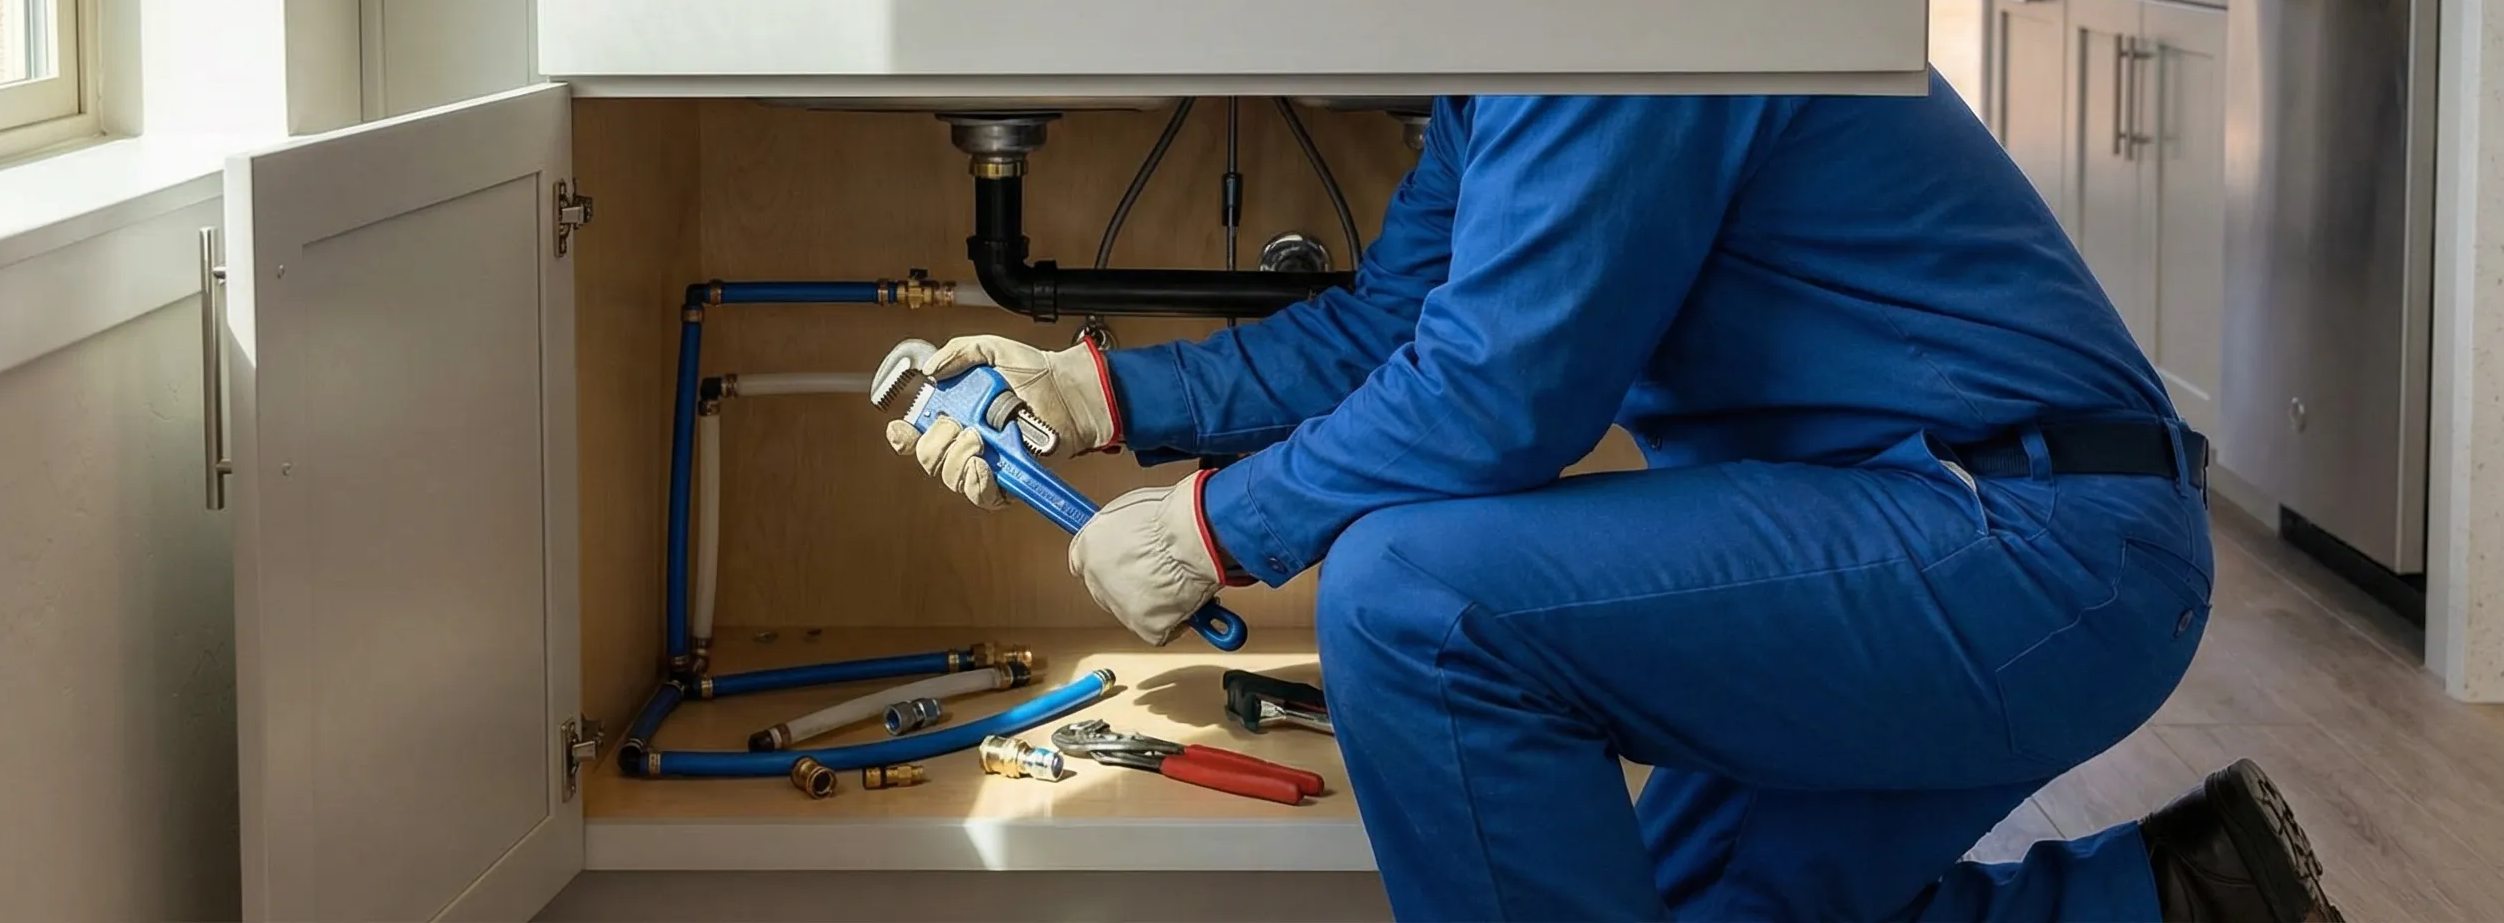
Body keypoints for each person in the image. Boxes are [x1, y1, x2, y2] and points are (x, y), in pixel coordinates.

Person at [884, 80, 2346, 923]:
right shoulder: (1503, 72)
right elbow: (1390, 331)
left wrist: (1217, 528)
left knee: (1414, 601)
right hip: (1950, 533)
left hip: (2022, 540)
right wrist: (1094, 396)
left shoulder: (1618, 27)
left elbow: (1502, 392)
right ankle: (2187, 903)